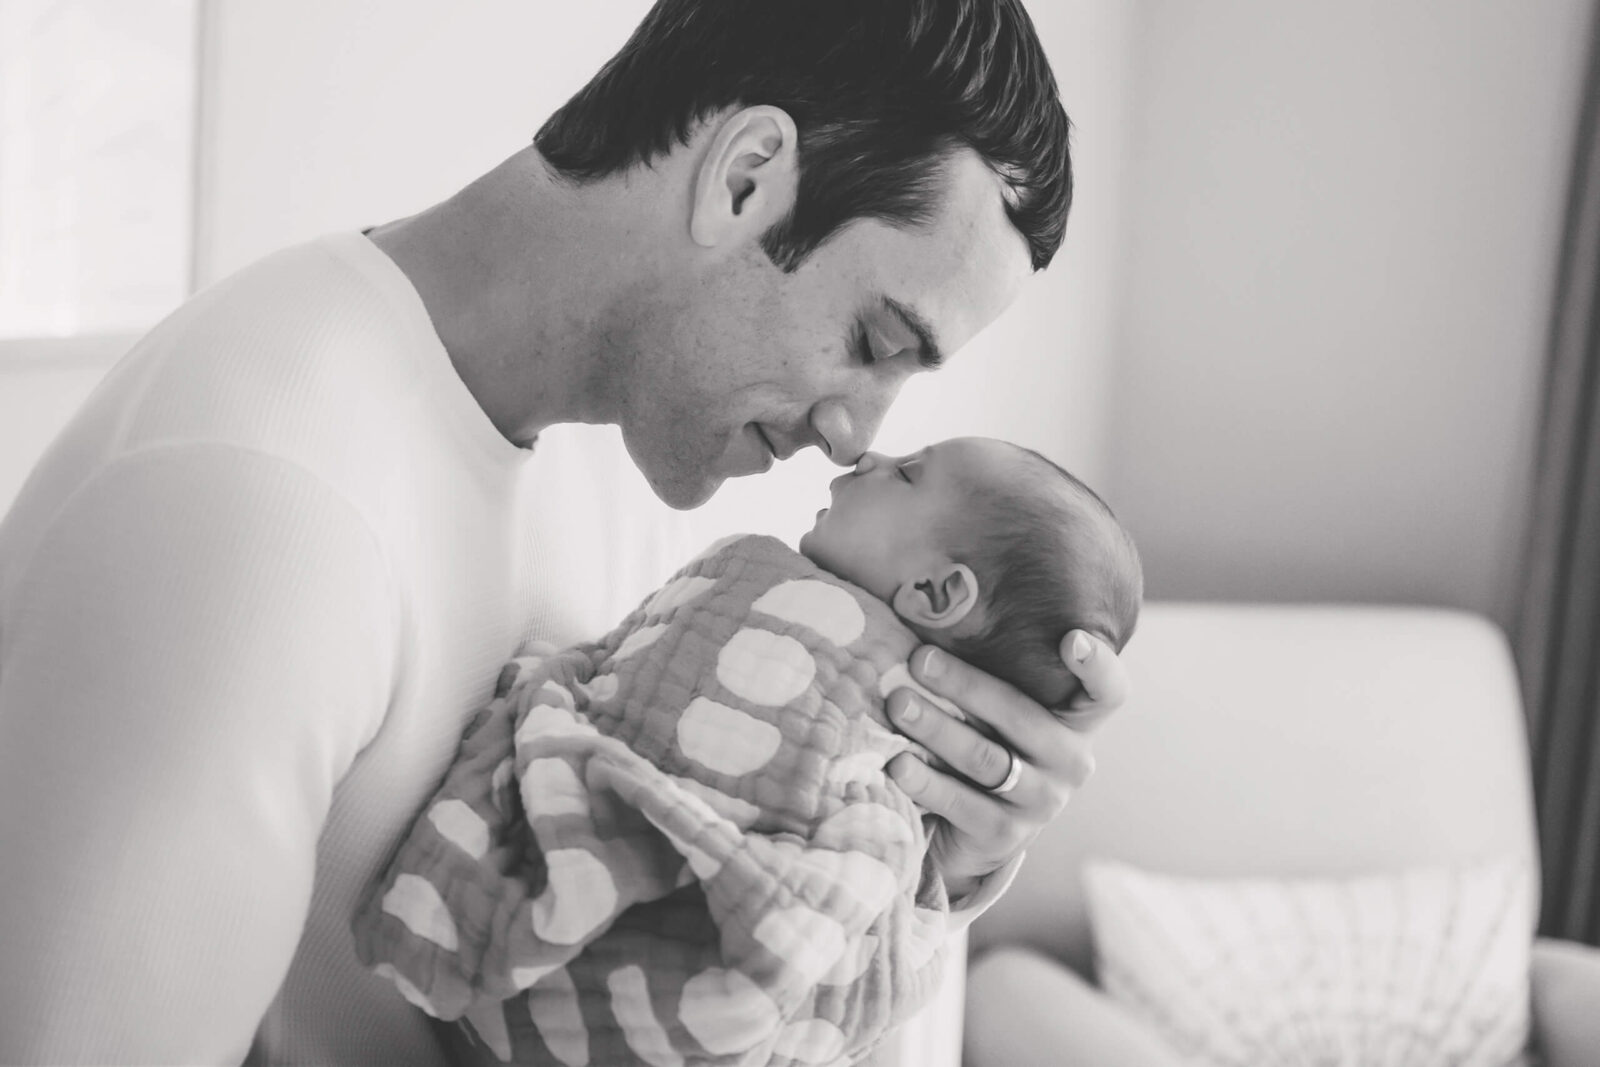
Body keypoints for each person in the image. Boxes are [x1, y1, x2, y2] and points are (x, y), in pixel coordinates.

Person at [0, 2, 1130, 1063]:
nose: (855, 437)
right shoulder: (254, 503)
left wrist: (943, 843)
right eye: (875, 340)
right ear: (745, 179)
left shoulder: (627, 450)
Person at [352, 436, 1142, 1066]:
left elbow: (871, 925)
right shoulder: (741, 570)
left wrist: (949, 870)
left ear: (937, 592)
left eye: (905, 474)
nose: (861, 450)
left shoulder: (899, 724)